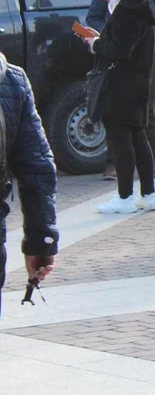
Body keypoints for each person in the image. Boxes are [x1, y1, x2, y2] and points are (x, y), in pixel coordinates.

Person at [89, 0, 155, 179]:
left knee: (147, 108)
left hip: (144, 54)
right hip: (119, 56)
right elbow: (94, 16)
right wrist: (109, 35)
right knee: (120, 115)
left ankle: (150, 161)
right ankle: (115, 164)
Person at [83, 0, 155, 214]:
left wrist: (96, 43)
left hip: (120, 85)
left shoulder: (125, 11)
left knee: (120, 141)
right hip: (138, 82)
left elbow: (120, 49)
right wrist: (103, 38)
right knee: (139, 136)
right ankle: (148, 194)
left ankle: (124, 196)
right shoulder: (140, 6)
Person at [0, 51, 58, 321]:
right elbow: (37, 169)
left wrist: (40, 241)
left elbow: (38, 168)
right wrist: (40, 241)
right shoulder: (10, 79)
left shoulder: (11, 81)